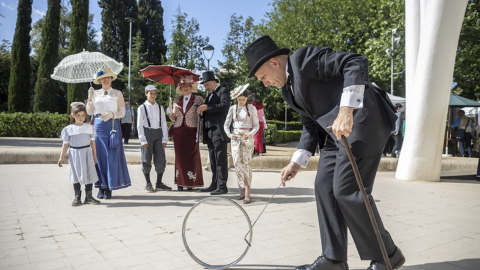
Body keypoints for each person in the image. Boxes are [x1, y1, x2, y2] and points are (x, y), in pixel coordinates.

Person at [244, 35, 404, 270]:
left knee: (347, 190)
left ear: (274, 63)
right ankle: (334, 259)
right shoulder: (287, 91)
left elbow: (355, 62)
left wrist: (346, 110)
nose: (265, 84)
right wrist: (296, 162)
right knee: (324, 187)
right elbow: (310, 125)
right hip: (334, 135)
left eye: (263, 77)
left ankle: (388, 256)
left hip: (362, 123)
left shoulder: (302, 60)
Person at [87, 66, 131, 199]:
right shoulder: (95, 94)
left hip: (112, 126)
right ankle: (101, 186)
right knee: (99, 157)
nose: (105, 80)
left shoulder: (117, 93)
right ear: (99, 80)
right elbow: (89, 112)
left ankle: (110, 187)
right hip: (99, 127)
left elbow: (122, 112)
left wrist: (112, 114)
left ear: (111, 79)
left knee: (111, 157)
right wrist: (89, 98)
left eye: (108, 77)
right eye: (102, 78)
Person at [58, 102, 101, 206]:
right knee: (75, 173)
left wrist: (95, 155)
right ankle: (77, 196)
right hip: (75, 154)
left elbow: (92, 142)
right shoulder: (68, 129)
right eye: (78, 115)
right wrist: (61, 157)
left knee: (89, 172)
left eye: (83, 115)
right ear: (73, 115)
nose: (81, 117)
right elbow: (65, 145)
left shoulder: (89, 127)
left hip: (87, 152)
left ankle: (89, 196)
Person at [224, 84, 259, 204]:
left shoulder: (251, 109)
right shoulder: (233, 108)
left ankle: (248, 193)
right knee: (236, 163)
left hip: (247, 139)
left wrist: (250, 134)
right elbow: (226, 124)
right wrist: (229, 134)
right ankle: (242, 190)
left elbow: (256, 125)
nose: (241, 101)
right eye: (239, 99)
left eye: (243, 99)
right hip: (235, 139)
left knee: (246, 164)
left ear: (247, 99)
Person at [197, 71, 231, 195]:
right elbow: (210, 111)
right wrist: (202, 112)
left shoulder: (223, 91)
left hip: (218, 130)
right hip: (210, 131)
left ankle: (222, 186)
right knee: (213, 159)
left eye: (208, 84)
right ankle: (214, 183)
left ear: (214, 82)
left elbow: (224, 106)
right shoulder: (210, 95)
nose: (206, 87)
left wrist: (207, 108)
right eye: (205, 85)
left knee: (220, 159)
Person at [169, 76, 204, 191]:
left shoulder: (198, 99)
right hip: (178, 130)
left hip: (192, 130)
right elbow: (174, 118)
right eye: (182, 86)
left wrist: (199, 132)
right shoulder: (175, 100)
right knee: (179, 156)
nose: (185, 88)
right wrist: (171, 114)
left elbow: (201, 118)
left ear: (190, 86)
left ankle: (191, 182)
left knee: (192, 156)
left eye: (187, 86)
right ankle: (180, 182)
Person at [137, 85, 172, 192]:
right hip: (147, 133)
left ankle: (159, 183)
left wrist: (165, 139)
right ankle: (148, 183)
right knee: (146, 159)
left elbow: (163, 124)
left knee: (161, 159)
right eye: (150, 93)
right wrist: (142, 139)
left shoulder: (160, 107)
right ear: (146, 94)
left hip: (158, 134)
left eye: (154, 93)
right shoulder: (142, 107)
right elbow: (139, 125)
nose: (153, 95)